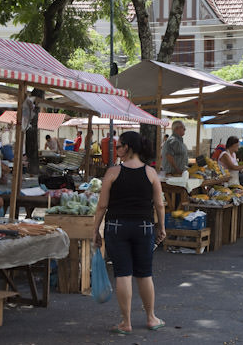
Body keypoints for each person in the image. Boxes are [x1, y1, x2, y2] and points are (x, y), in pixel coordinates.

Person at [93, 131, 166, 334]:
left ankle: (126, 323)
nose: (116, 150)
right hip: (144, 227)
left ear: (128, 147)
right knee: (144, 273)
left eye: (118, 146)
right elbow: (159, 205)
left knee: (123, 273)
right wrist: (162, 227)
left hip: (116, 227)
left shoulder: (112, 173)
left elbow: (102, 206)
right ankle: (151, 318)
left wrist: (95, 230)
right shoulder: (151, 173)